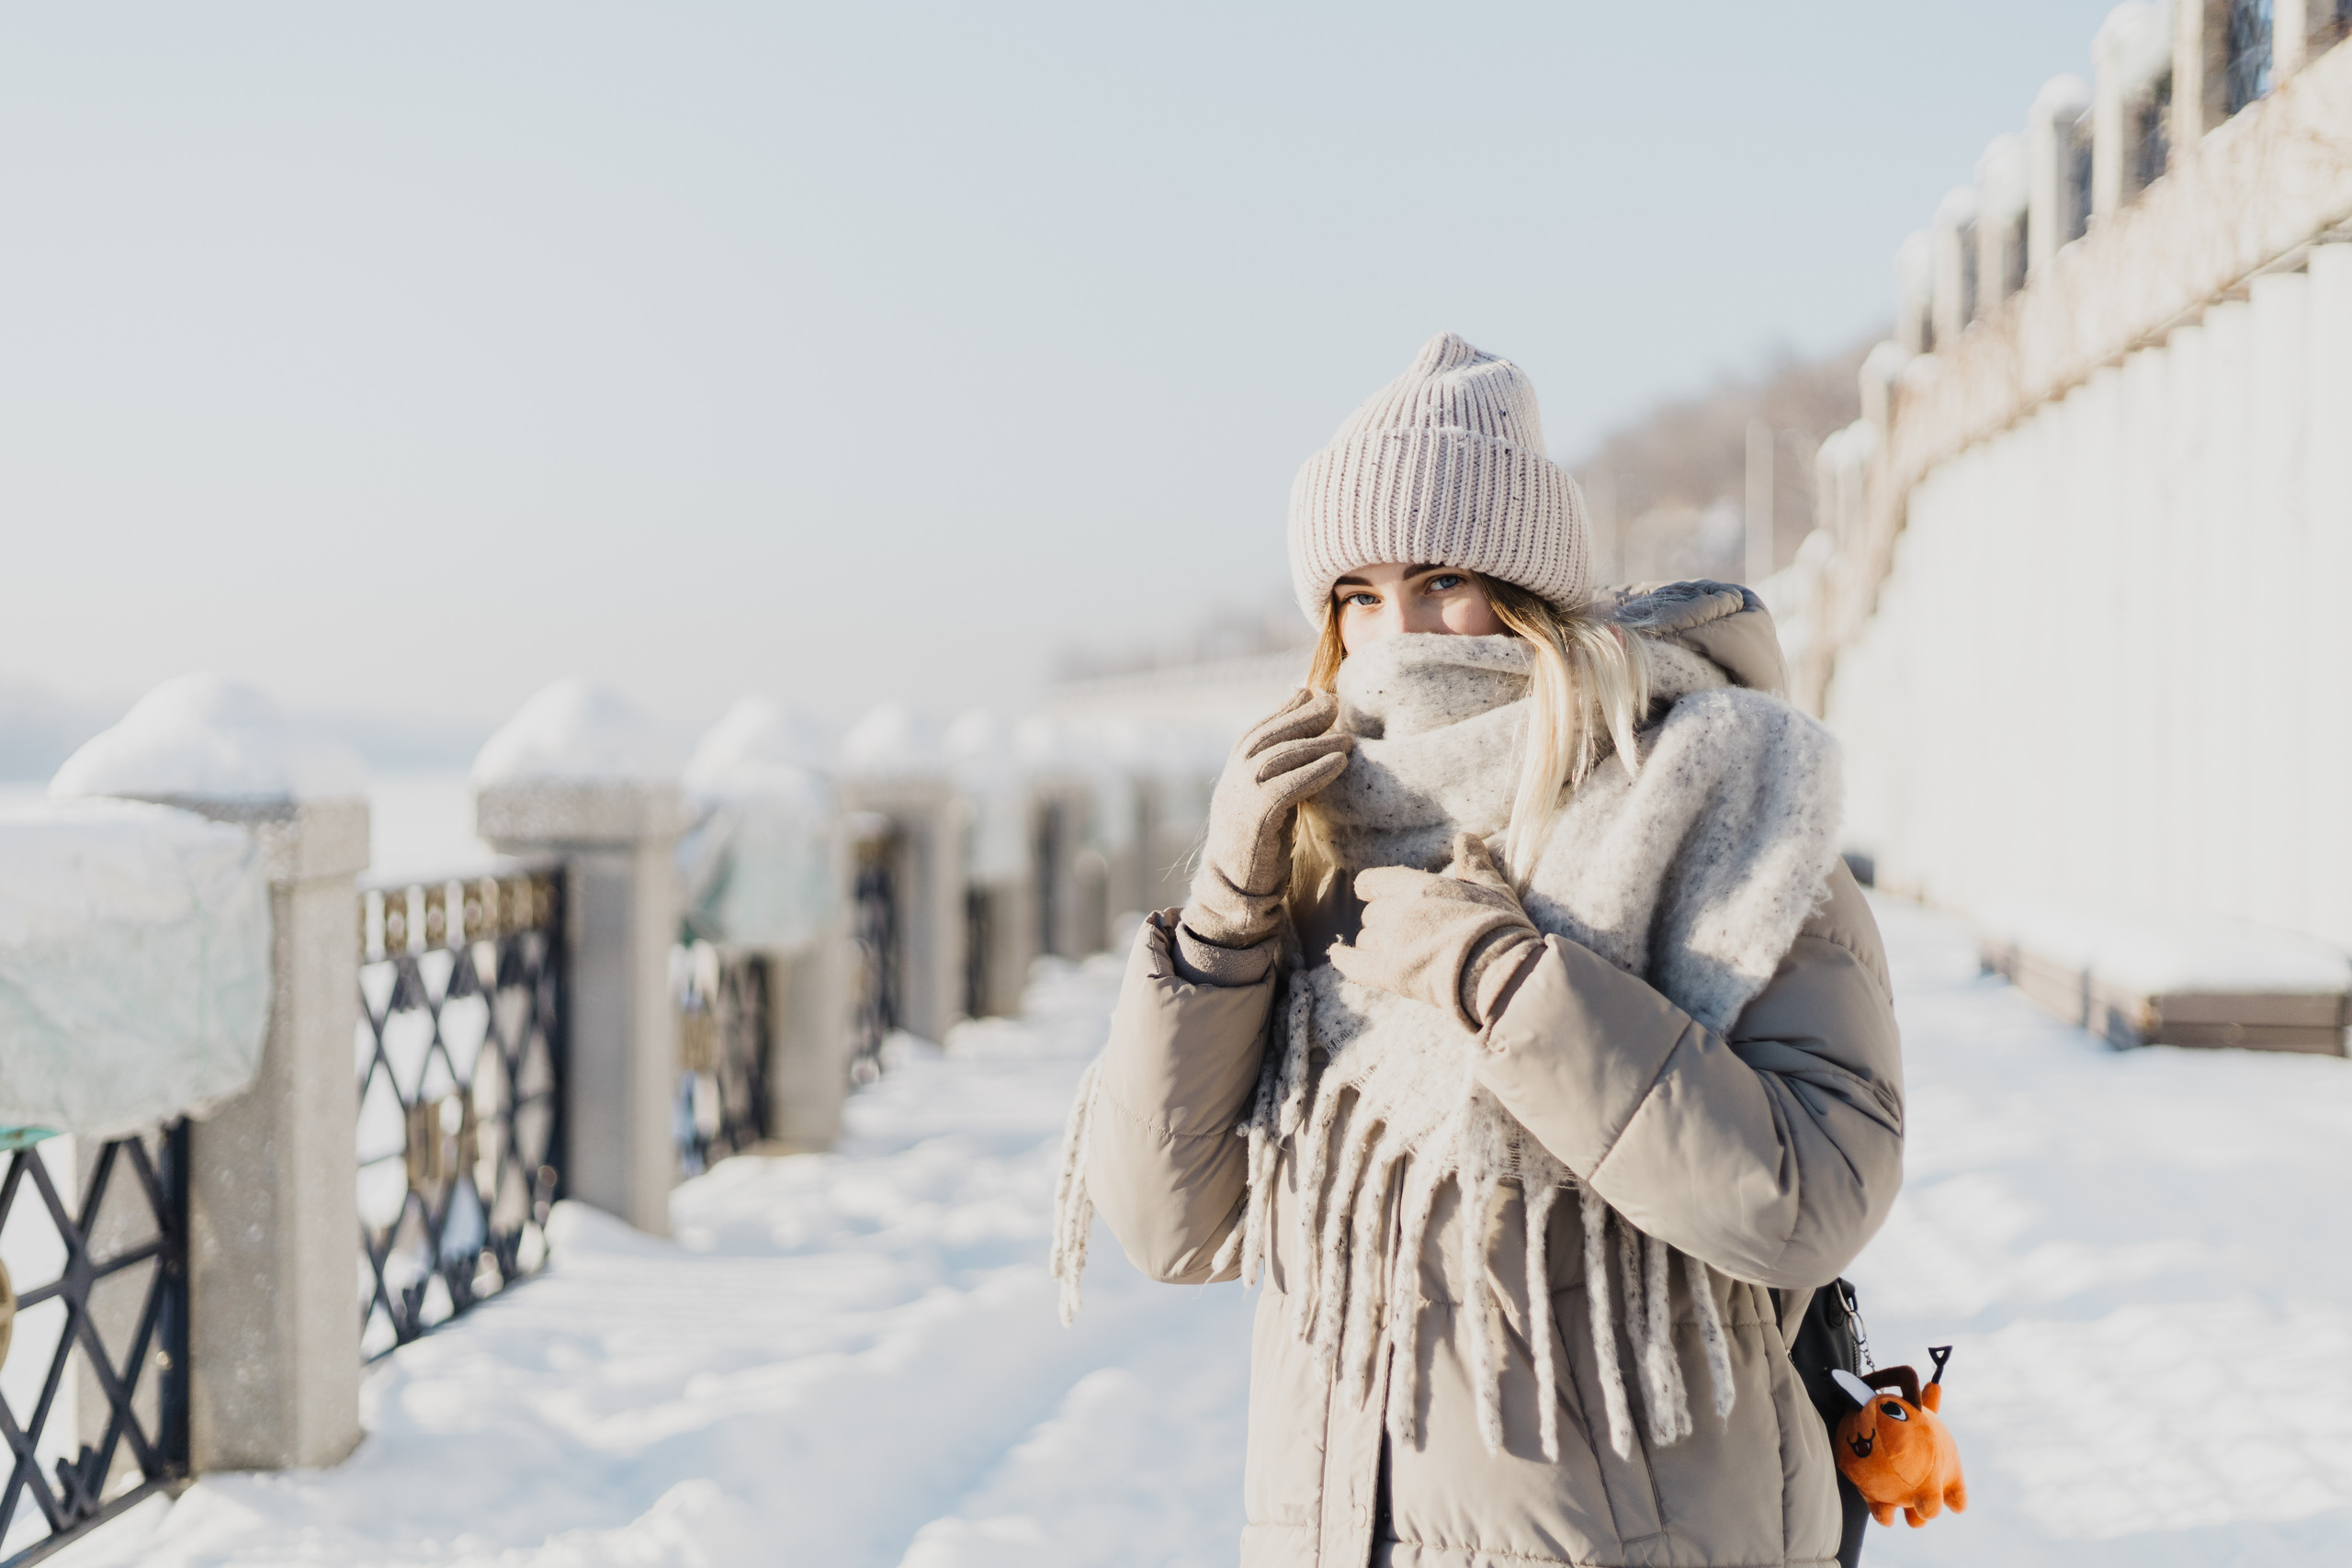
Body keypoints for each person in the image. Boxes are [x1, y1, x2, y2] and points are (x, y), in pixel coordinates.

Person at [1051, 333, 1903, 1568]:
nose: (1397, 633)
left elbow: (1810, 1199)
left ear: (1528, 591)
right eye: (1356, 596)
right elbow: (1170, 1225)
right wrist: (1226, 916)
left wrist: (1504, 982)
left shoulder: (1717, 803)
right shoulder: (1320, 847)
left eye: (1440, 580)